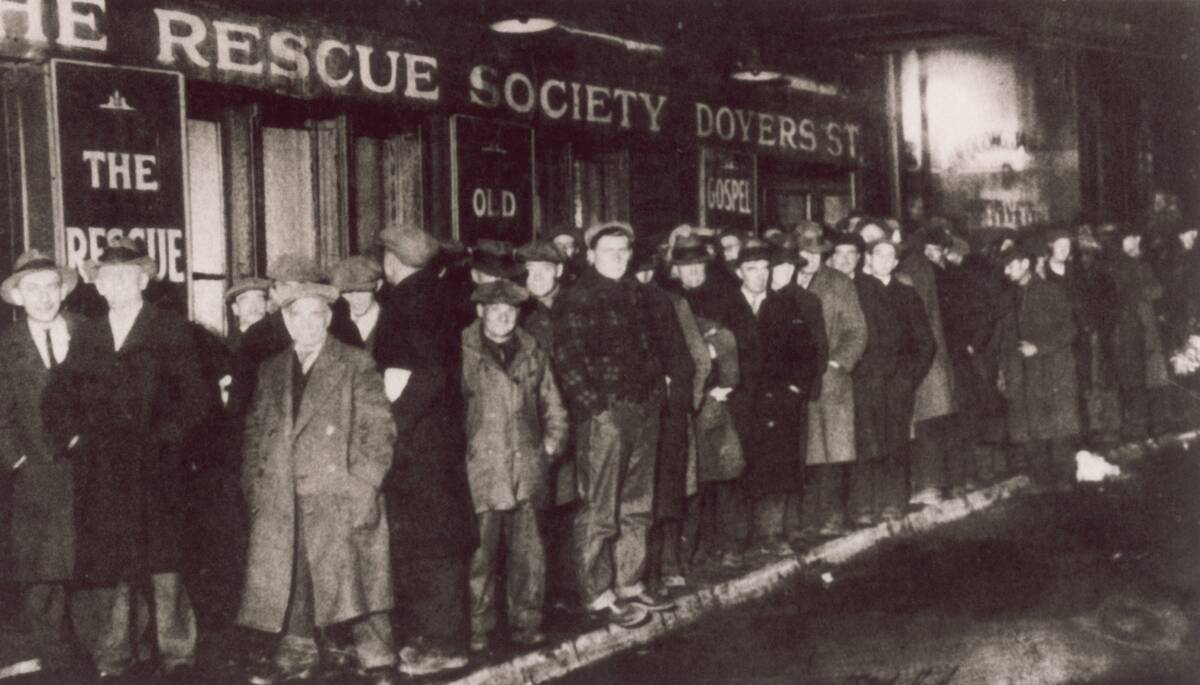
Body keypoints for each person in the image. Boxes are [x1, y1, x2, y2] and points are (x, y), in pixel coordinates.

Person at [42, 237, 210, 679]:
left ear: (143, 279)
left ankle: (177, 654)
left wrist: (168, 441)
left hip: (158, 469)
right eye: (106, 277)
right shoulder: (88, 334)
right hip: (106, 472)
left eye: (125, 275)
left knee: (164, 562)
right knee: (114, 563)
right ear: (97, 285)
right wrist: (74, 441)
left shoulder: (171, 328)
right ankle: (116, 654)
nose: (114, 284)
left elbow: (196, 398)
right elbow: (59, 396)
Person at [238, 276, 398, 685]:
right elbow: (256, 433)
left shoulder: (354, 363)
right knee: (291, 577)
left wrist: (363, 484)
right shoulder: (271, 369)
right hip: (282, 494)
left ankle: (372, 655)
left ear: (327, 318)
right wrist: (256, 487)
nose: (307, 325)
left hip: (338, 491)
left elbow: (378, 431)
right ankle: (298, 652)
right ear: (286, 323)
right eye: (298, 316)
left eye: (316, 315)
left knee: (357, 580)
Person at [552, 221, 673, 628]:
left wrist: (656, 395)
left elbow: (654, 349)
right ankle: (595, 592)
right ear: (591, 256)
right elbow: (568, 361)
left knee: (637, 506)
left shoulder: (640, 295)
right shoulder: (576, 298)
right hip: (608, 415)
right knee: (600, 507)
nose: (619, 257)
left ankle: (630, 584)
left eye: (624, 250)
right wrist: (598, 409)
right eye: (609, 251)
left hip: (643, 410)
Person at [374, 225, 476, 676]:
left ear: (391, 261)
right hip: (438, 441)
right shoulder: (437, 295)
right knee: (433, 541)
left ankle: (445, 644)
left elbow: (425, 374)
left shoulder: (406, 301)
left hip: (419, 447)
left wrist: (393, 425)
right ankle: (435, 637)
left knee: (431, 544)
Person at [461, 280, 568, 654]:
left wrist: (551, 446)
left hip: (526, 470)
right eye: (495, 309)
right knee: (480, 555)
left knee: (529, 554)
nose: (504, 316)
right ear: (480, 312)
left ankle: (527, 623)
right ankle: (478, 625)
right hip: (481, 470)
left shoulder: (532, 350)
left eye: (510, 310)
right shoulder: (462, 349)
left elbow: (553, 405)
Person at [0, 251, 81, 673]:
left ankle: (96, 659)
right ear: (17, 297)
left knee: (88, 566)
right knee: (41, 570)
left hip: (84, 472)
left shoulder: (87, 333)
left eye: (51, 286)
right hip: (33, 476)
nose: (44, 297)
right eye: (32, 288)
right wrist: (17, 460)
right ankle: (51, 662)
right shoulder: (5, 347)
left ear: (62, 290)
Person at [727, 239, 822, 554]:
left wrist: (795, 389)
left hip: (778, 402)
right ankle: (737, 541)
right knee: (738, 469)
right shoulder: (727, 307)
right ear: (739, 271)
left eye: (765, 269)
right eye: (752, 269)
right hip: (739, 402)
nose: (760, 276)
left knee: (777, 467)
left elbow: (807, 354)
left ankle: (771, 534)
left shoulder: (785, 307)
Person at [847, 240, 935, 523]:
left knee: (895, 442)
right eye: (879, 254)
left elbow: (926, 343)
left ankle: (893, 502)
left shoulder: (907, 295)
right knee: (864, 442)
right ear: (868, 259)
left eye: (891, 256)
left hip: (897, 383)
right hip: (864, 381)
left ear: (896, 263)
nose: (885, 260)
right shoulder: (856, 290)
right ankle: (863, 507)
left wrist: (908, 378)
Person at [793, 222, 867, 539]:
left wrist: (838, 363)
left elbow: (857, 330)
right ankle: (805, 520)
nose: (809, 258)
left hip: (830, 379)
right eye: (803, 252)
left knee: (833, 450)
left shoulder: (839, 284)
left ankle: (834, 515)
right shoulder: (784, 281)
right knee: (802, 450)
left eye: (815, 253)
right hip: (795, 381)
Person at [991, 241, 1080, 489]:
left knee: (1057, 427)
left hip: (1052, 370)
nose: (1006, 272)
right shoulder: (1008, 298)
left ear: (1025, 264)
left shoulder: (1050, 291)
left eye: (1011, 266)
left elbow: (1070, 330)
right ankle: (1040, 482)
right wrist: (1003, 371)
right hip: (1022, 373)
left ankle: (1065, 481)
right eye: (1005, 268)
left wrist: (1039, 347)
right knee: (1029, 428)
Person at [899, 220, 958, 507]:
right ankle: (934, 483)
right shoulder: (926, 268)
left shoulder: (915, 267)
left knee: (926, 421)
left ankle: (929, 485)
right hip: (935, 357)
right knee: (931, 420)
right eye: (936, 248)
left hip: (925, 359)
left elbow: (918, 314)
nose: (940, 255)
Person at [1108, 225, 1171, 441]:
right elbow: (1118, 295)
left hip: (1146, 327)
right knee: (1135, 379)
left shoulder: (1142, 266)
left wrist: (1140, 291)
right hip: (1126, 329)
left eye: (1136, 237)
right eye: (1131, 237)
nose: (1136, 240)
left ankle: (1155, 425)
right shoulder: (1115, 267)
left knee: (1151, 378)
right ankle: (1138, 427)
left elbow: (1157, 290)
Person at [329, 255, 384, 354]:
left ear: (378, 285)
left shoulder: (396, 321)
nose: (355, 299)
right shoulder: (332, 323)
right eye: (347, 292)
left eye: (361, 291)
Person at [225, 277, 271, 352]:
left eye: (259, 298)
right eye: (245, 300)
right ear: (235, 308)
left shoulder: (279, 345)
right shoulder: (226, 349)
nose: (253, 305)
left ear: (267, 305)